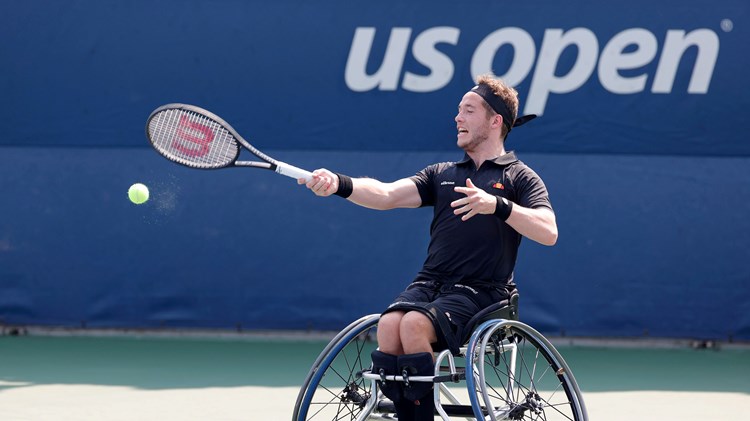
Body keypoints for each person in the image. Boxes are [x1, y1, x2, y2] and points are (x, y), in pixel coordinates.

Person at [299, 74, 557, 421]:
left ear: (495, 121)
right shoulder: (443, 173)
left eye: (468, 110)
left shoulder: (520, 177)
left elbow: (548, 231)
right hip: (432, 282)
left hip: (483, 291)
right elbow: (388, 194)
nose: (457, 118)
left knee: (414, 326)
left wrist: (498, 205)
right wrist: (339, 184)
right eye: (458, 110)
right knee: (390, 325)